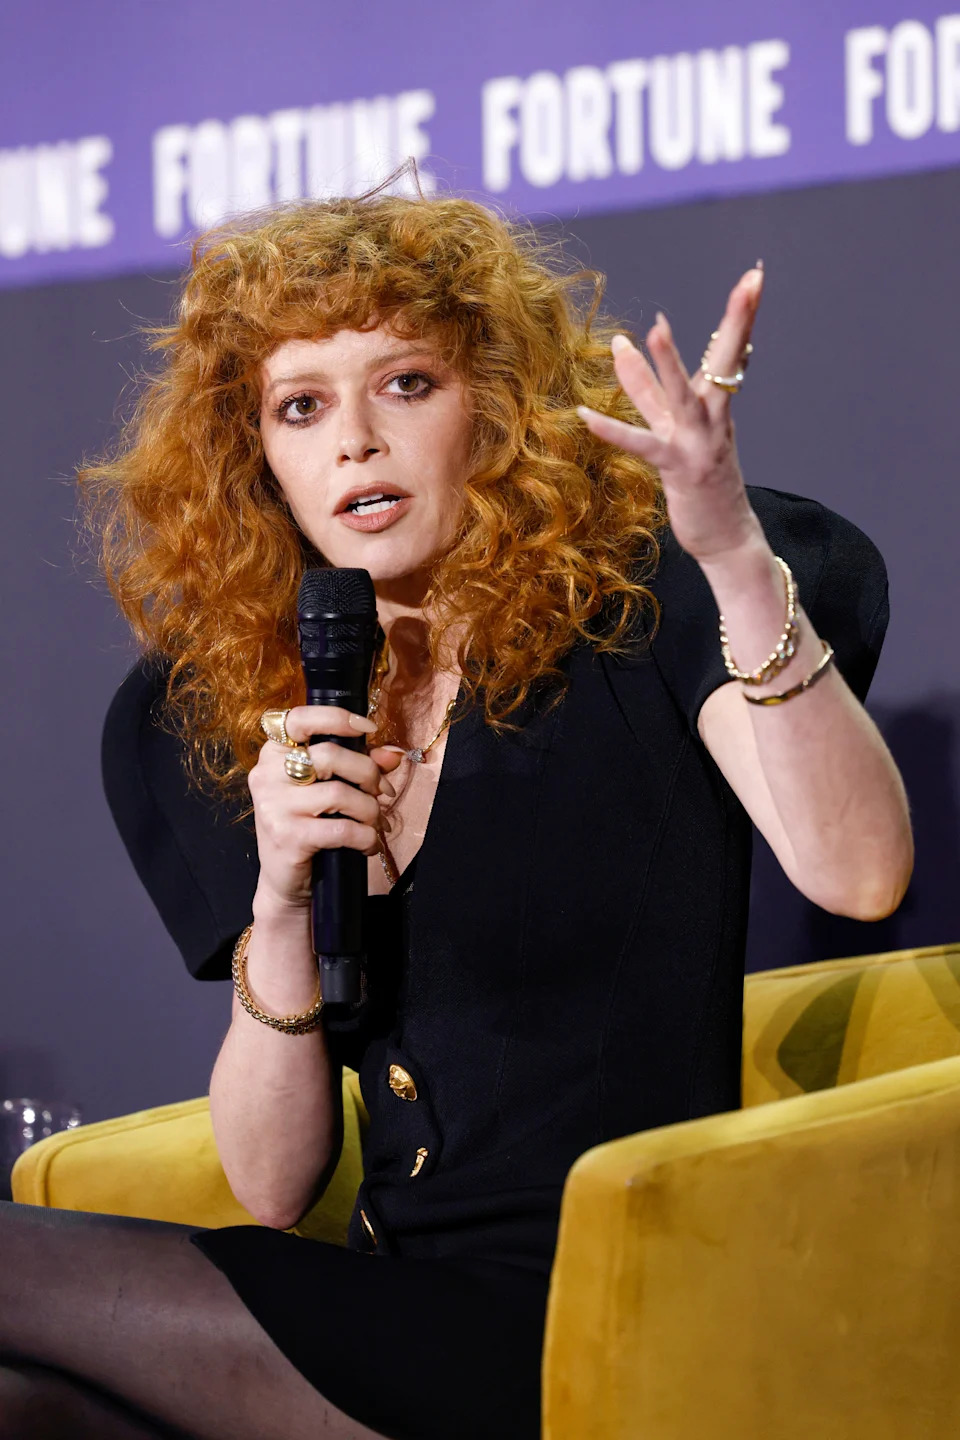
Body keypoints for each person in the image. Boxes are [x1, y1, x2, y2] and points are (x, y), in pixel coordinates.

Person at [0, 180, 913, 1440]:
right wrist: (277, 897)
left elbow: (859, 873)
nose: (354, 443)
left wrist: (731, 553)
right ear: (253, 456)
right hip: (396, 1302)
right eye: (302, 406)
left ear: (488, 403)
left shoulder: (641, 609)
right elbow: (272, 1185)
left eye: (406, 384)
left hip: (605, 1297)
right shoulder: (235, 712)